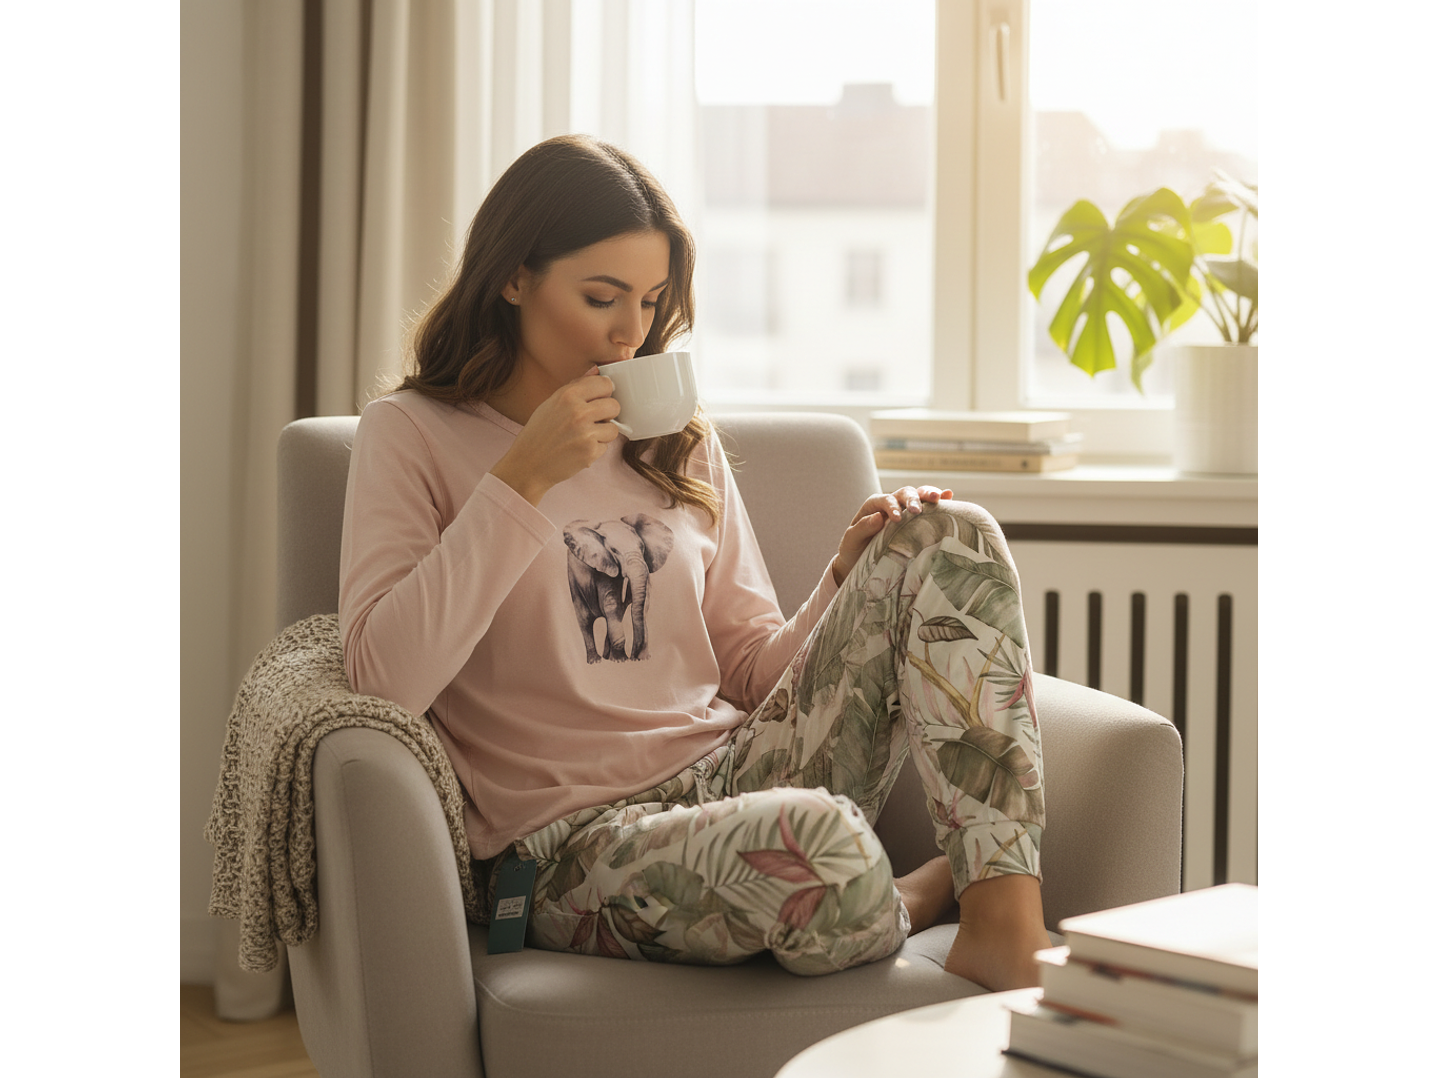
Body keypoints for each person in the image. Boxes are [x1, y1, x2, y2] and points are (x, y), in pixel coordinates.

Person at [338, 134, 1051, 989]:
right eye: (601, 297)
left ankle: (1005, 926)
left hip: (732, 774)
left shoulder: (675, 440)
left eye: (649, 300)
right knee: (819, 849)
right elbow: (381, 683)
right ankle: (903, 892)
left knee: (950, 533)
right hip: (568, 849)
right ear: (513, 278)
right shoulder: (411, 435)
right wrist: (522, 477)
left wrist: (843, 578)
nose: (629, 332)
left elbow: (749, 674)